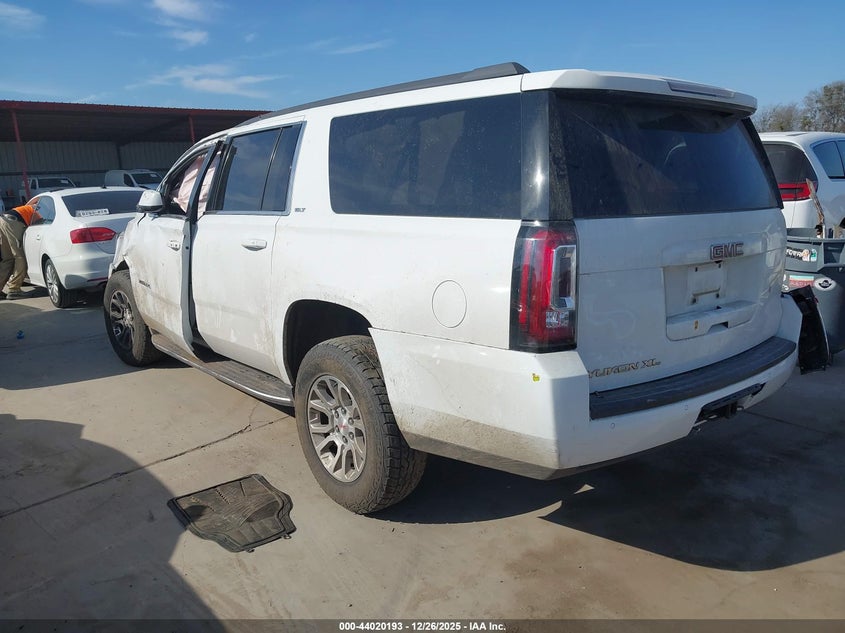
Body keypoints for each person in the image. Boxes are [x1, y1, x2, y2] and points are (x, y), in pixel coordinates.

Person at [0, 203, 41, 300]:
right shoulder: (40, 210)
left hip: (3, 220)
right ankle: (14, 290)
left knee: (8, 259)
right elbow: (40, 223)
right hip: (13, 222)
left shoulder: (30, 207)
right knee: (20, 256)